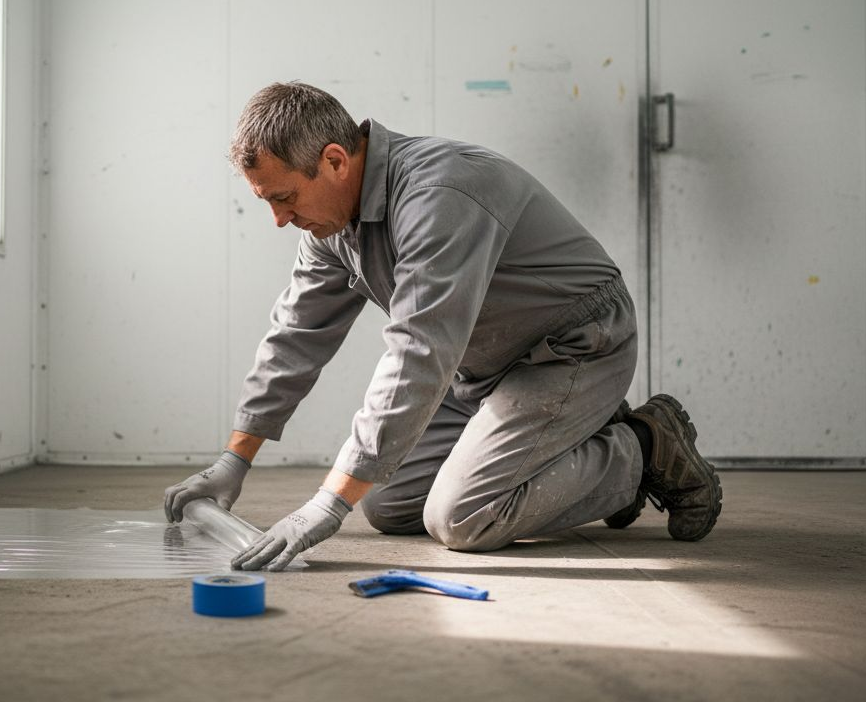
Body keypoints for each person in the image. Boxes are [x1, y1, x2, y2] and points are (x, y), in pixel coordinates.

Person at [163, 81, 722, 571]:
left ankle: (646, 445)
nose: (279, 219)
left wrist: (326, 504)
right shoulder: (331, 227)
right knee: (389, 505)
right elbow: (294, 338)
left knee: (461, 517)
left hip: (573, 347)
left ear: (334, 160)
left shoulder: (439, 194)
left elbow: (419, 351)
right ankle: (574, 453)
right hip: (485, 367)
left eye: (284, 198)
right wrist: (233, 461)